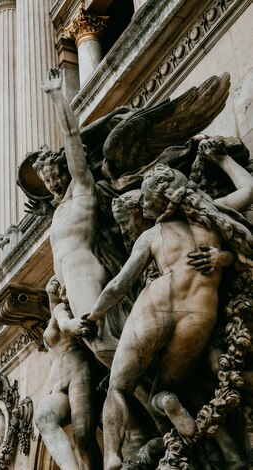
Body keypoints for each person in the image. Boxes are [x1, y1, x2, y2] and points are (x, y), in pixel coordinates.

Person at [86, 155, 253, 470]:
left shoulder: (153, 235)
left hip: (156, 304)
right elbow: (249, 188)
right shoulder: (213, 219)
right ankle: (170, 403)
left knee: (119, 386)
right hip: (200, 317)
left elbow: (120, 284)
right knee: (163, 391)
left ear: (155, 203)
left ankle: (111, 456)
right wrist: (223, 159)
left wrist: (94, 314)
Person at [36, 68, 117, 366]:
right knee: (101, 348)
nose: (53, 184)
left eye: (56, 176)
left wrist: (57, 96)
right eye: (47, 182)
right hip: (67, 280)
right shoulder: (57, 212)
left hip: (83, 269)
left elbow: (71, 135)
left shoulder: (82, 188)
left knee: (103, 347)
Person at [35, 277, 102, 470]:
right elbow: (60, 316)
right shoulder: (58, 310)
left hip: (79, 374)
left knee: (83, 437)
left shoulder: (72, 309)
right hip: (58, 385)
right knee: (44, 417)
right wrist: (50, 293)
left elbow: (65, 322)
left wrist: (71, 325)